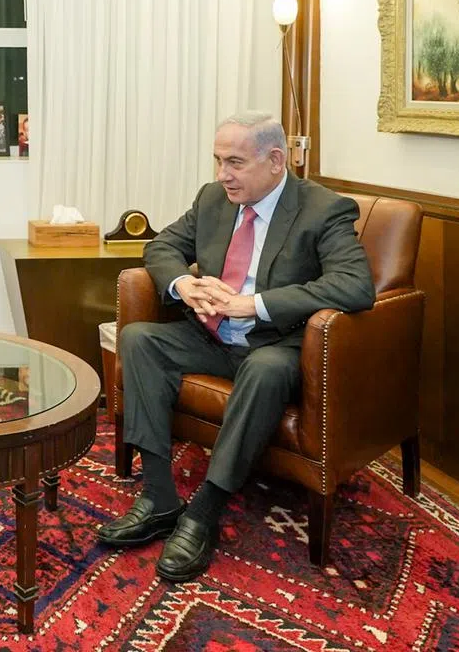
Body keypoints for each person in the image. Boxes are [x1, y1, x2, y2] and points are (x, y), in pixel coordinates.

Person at [97, 111, 374, 583]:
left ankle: (204, 510)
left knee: (264, 370)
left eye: (235, 162)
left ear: (275, 160)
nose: (223, 174)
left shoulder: (324, 209)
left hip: (278, 343)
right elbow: (161, 246)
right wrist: (183, 283)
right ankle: (160, 497)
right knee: (139, 338)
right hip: (211, 336)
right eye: (218, 160)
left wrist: (256, 304)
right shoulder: (213, 198)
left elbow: (355, 286)